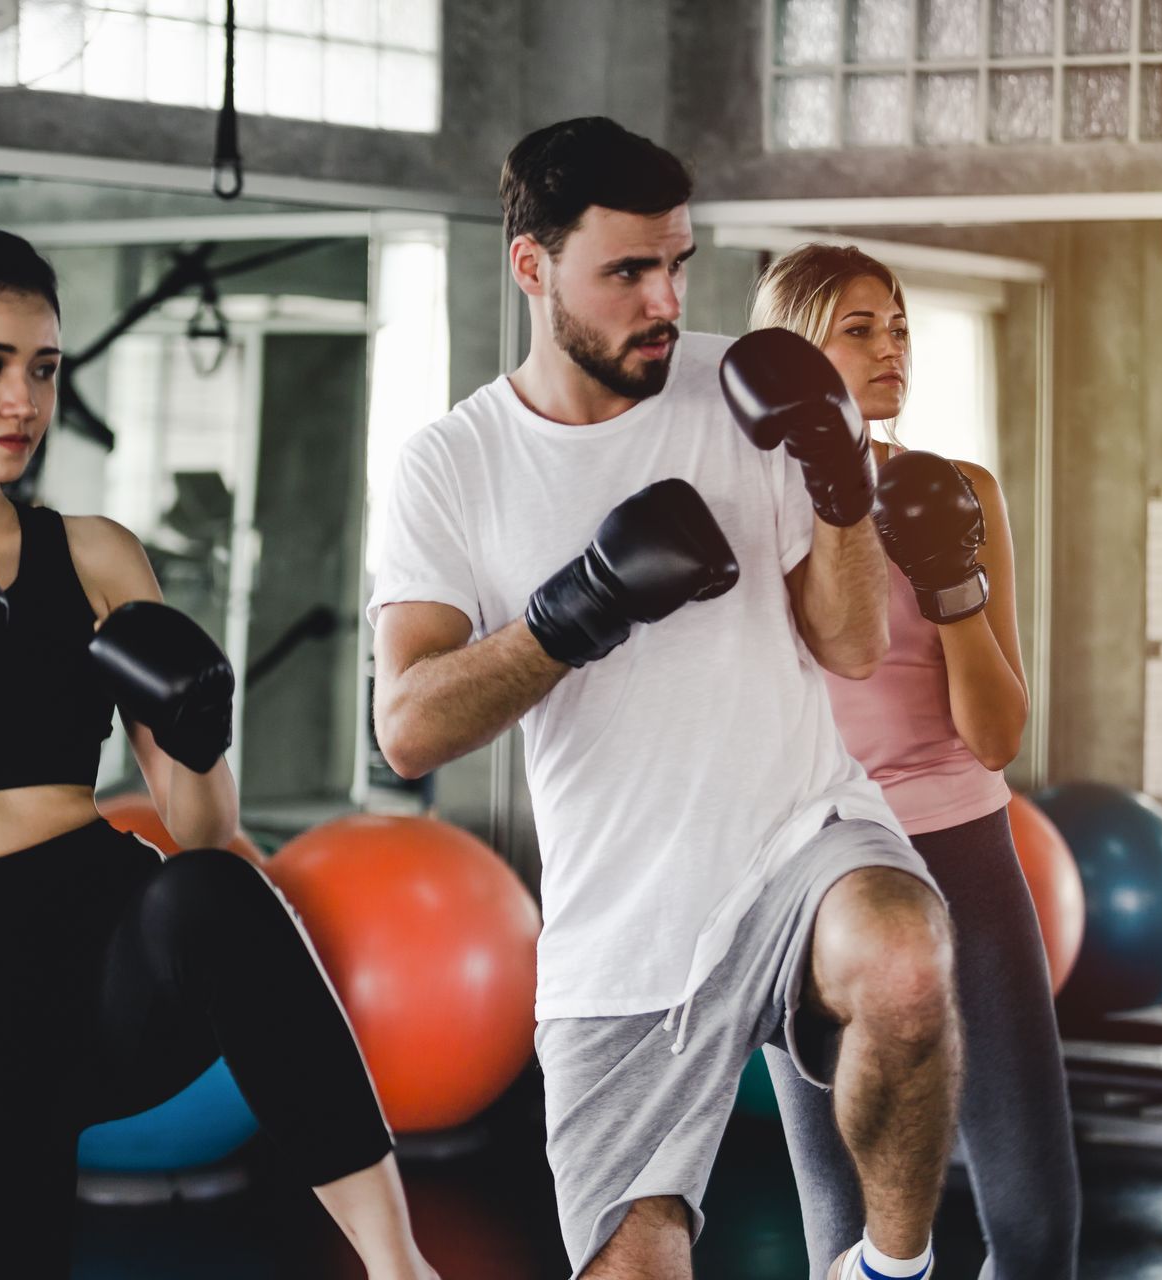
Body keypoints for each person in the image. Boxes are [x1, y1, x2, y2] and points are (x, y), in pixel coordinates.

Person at [0, 186, 440, 1280]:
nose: (24, 397)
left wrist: (200, 730)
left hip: (102, 946)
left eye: (46, 367)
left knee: (227, 894)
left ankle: (402, 1267)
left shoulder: (96, 554)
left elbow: (206, 833)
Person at [369, 116, 962, 1280]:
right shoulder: (455, 462)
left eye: (677, 263)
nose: (664, 299)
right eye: (628, 271)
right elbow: (410, 726)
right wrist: (575, 607)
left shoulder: (745, 391)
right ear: (532, 265)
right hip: (621, 928)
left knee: (904, 959)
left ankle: (888, 1269)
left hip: (798, 835)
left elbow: (848, 648)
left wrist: (841, 483)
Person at [751, 243, 1079, 1280]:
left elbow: (998, 733)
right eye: (860, 328)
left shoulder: (961, 489)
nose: (891, 347)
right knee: (843, 1233)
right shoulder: (748, 508)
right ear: (797, 350)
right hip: (813, 868)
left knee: (1035, 1225)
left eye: (899, 327)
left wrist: (952, 585)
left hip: (963, 852)